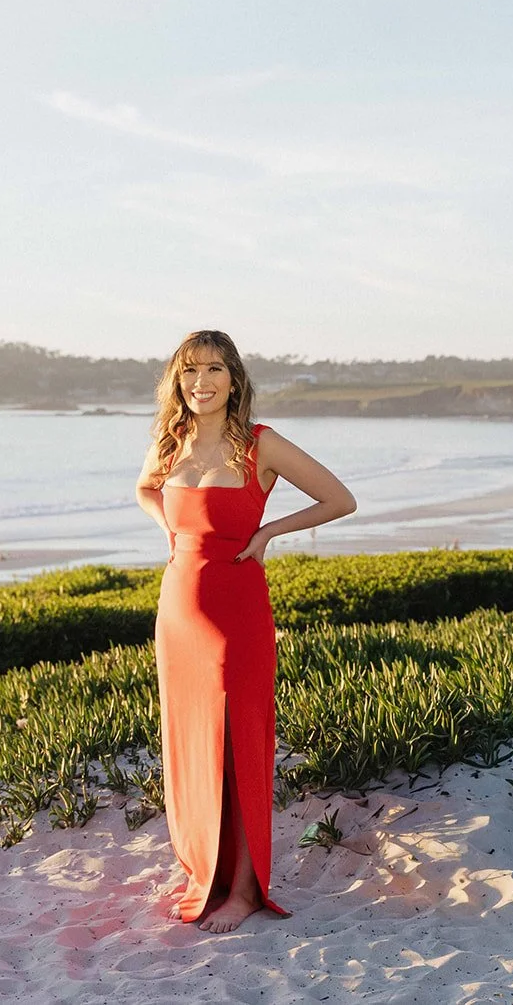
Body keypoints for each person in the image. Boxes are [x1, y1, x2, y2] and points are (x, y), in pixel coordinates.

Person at [135, 329, 357, 933]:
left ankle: (242, 889)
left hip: (239, 614)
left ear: (234, 379)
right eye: (189, 372)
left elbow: (340, 499)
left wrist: (266, 534)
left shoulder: (261, 445)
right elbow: (145, 489)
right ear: (177, 382)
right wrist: (170, 531)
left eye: (213, 370)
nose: (200, 383)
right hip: (178, 612)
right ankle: (201, 866)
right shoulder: (172, 441)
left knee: (238, 743)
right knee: (191, 741)